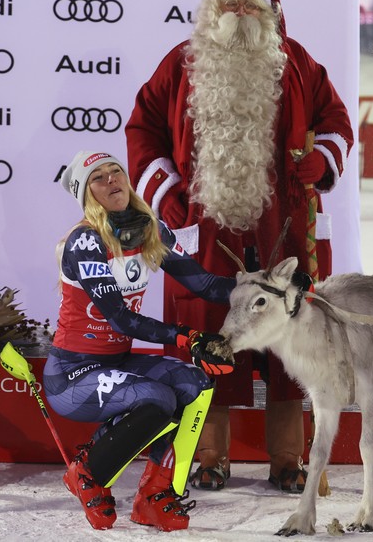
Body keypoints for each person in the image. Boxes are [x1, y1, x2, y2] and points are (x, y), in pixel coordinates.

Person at [124, 0, 353, 493]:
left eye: (250, 6)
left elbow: (337, 121)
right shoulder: (181, 64)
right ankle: (209, 456)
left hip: (283, 231)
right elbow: (143, 127)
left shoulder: (297, 64)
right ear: (213, 11)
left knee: (291, 342)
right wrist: (165, 192)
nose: (239, 14)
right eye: (230, 4)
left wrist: (323, 159)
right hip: (204, 232)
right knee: (207, 339)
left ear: (270, 14)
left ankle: (289, 459)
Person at [43, 150, 236, 533]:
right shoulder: (85, 241)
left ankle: (155, 494)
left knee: (194, 384)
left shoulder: (151, 229)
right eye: (99, 178)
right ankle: (87, 473)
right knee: (160, 398)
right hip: (72, 374)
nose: (112, 180)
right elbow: (121, 318)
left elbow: (208, 286)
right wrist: (185, 336)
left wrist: (269, 286)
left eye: (116, 172)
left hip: (116, 363)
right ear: (87, 194)